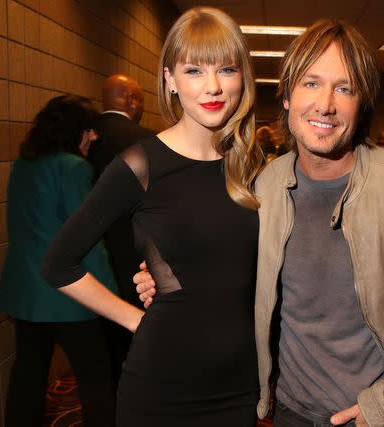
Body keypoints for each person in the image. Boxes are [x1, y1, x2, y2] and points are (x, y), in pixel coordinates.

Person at [137, 19, 384, 427]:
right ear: (287, 96)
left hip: (378, 415)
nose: (326, 104)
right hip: (290, 413)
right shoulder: (261, 187)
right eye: (311, 83)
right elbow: (225, 272)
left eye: (344, 88)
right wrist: (168, 277)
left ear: (361, 101)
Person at [41, 7, 264, 427]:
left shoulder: (252, 166)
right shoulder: (140, 163)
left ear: (242, 78)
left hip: (239, 385)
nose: (213, 86)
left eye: (227, 69)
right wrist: (136, 318)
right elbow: (58, 263)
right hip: (162, 385)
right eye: (194, 70)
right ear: (170, 80)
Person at [0, 95, 117, 427]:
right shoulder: (74, 168)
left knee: (28, 376)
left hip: (26, 293)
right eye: (88, 129)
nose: (94, 137)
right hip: (70, 294)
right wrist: (110, 298)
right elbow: (88, 240)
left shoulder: (23, 163)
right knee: (95, 378)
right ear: (72, 130)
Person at [87, 73, 156, 389]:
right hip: (136, 261)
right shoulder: (147, 140)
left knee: (99, 350)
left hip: (88, 262)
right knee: (138, 346)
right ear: (132, 100)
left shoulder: (83, 140)